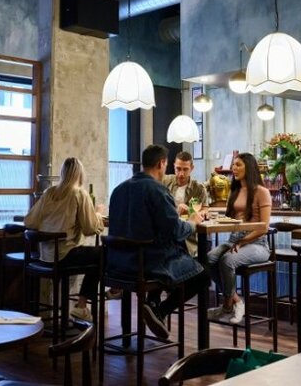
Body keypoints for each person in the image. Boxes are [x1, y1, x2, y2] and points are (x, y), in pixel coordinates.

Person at [107, 144, 208, 340]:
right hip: (146, 264)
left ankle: (151, 307)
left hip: (117, 264)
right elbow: (176, 230)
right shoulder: (158, 191)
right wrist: (193, 223)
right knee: (203, 275)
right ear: (162, 163)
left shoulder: (118, 189)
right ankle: (161, 310)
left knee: (167, 254)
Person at [24, 157, 105, 322]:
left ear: (62, 173)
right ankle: (82, 306)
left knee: (94, 260)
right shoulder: (79, 193)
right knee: (104, 254)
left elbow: (29, 221)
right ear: (80, 174)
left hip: (45, 256)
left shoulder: (49, 192)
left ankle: (81, 307)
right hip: (65, 256)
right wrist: (97, 214)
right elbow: (90, 229)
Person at [206, 152, 271, 324]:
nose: (234, 168)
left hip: (257, 243)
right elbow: (230, 219)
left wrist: (243, 242)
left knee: (227, 260)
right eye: (233, 165)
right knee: (208, 259)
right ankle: (235, 300)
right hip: (234, 240)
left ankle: (227, 304)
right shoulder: (234, 191)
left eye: (239, 165)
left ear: (249, 167)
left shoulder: (262, 192)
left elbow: (263, 227)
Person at [161, 151, 208, 257]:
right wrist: (176, 209)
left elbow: (203, 209)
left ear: (192, 168)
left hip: (188, 234)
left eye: (185, 169)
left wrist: (192, 211)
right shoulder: (164, 181)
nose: (181, 173)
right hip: (168, 231)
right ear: (174, 166)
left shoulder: (198, 188)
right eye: (178, 169)